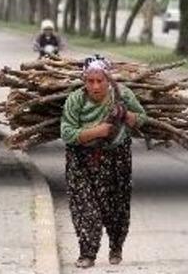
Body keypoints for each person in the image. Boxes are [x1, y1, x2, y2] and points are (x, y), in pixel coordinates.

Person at [60, 55, 150, 268]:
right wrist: (95, 132)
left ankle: (116, 247)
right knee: (84, 207)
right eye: (90, 81)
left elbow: (142, 118)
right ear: (84, 81)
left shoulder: (123, 95)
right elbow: (66, 132)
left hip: (116, 159)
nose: (95, 85)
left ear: (108, 80)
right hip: (81, 160)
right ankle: (87, 254)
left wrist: (127, 115)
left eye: (100, 81)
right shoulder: (76, 100)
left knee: (116, 207)